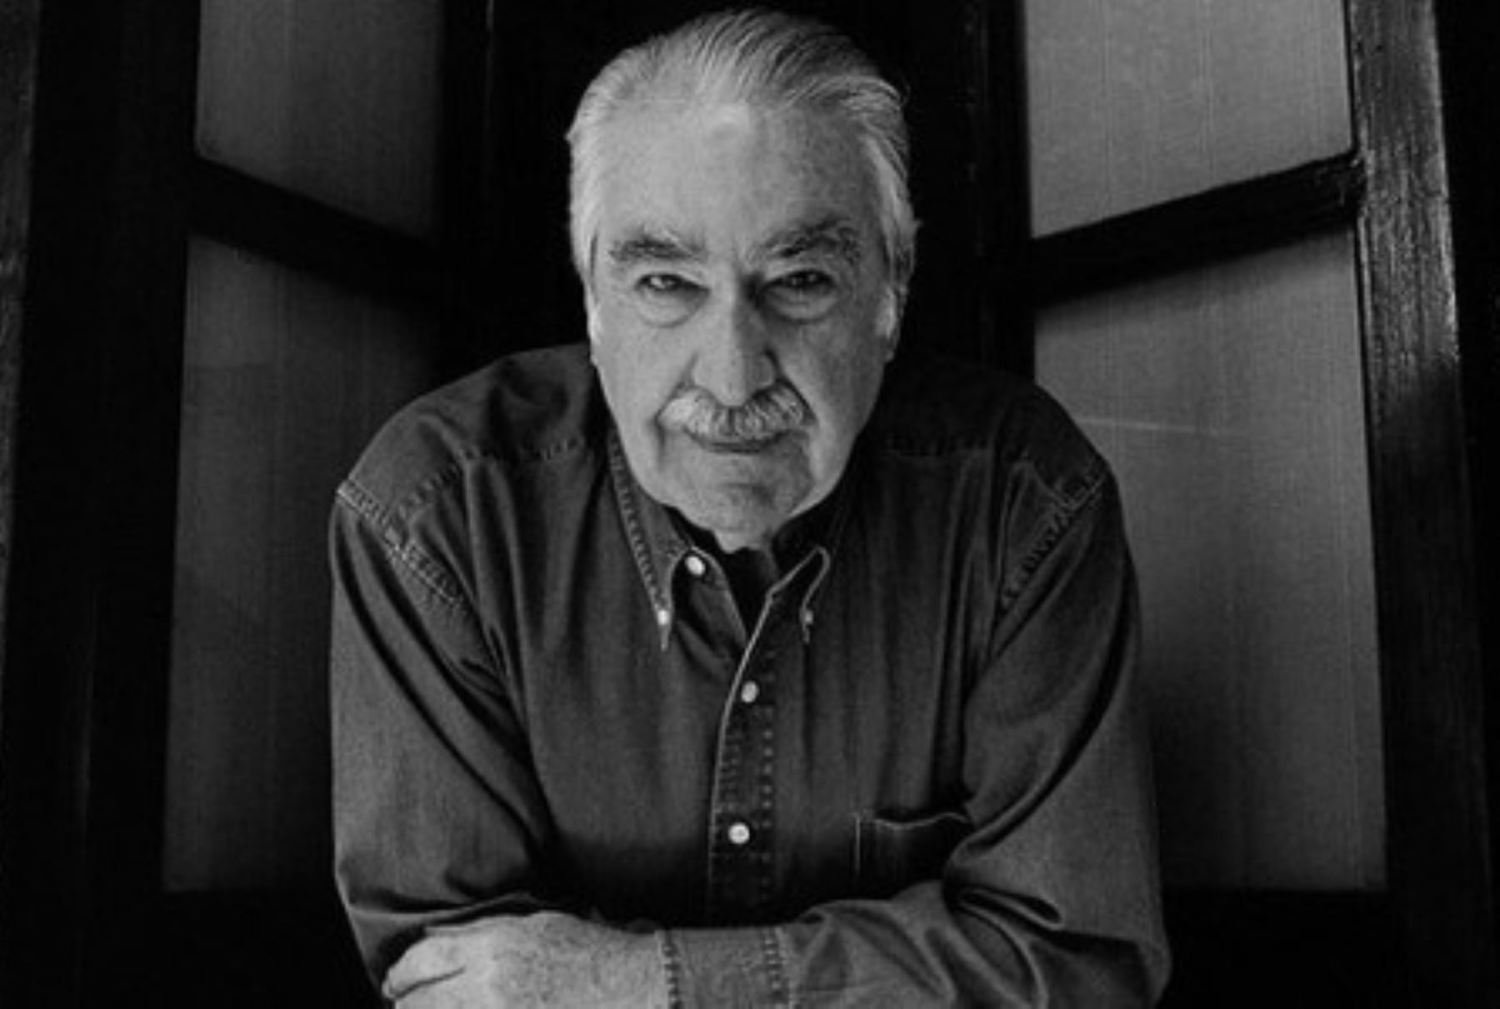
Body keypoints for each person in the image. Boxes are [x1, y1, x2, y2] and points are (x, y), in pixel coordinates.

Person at [330, 8, 1170, 1006]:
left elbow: (1076, 965)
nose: (732, 378)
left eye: (801, 281)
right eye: (665, 283)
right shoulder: (438, 520)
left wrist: (640, 982)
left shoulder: (1024, 507)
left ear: (891, 295)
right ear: (593, 303)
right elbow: (460, 989)